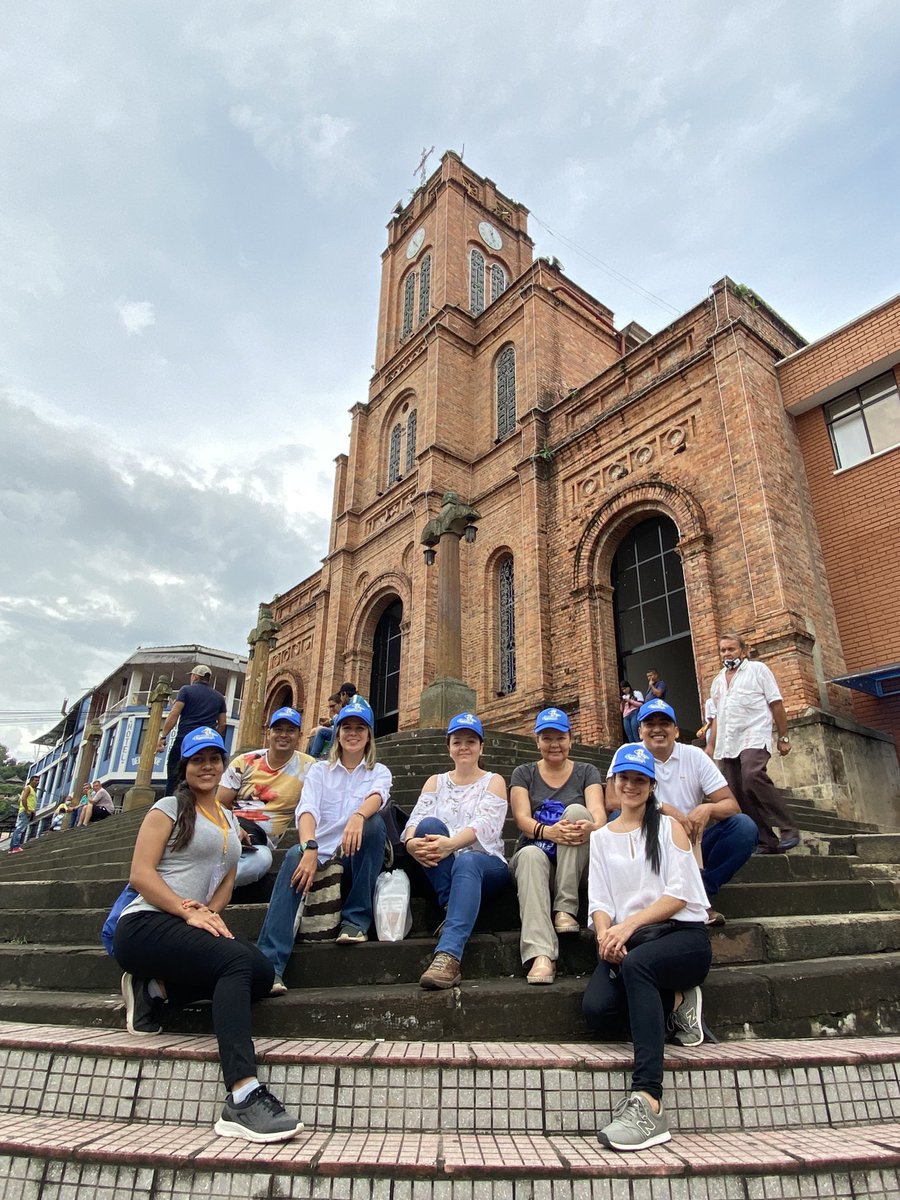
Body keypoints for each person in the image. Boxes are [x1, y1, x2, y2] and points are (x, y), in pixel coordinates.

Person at [113, 726, 300, 1144]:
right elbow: (140, 874)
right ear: (185, 767)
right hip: (145, 924)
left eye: (214, 759)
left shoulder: (229, 819)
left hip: (188, 924)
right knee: (235, 963)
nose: (207, 766)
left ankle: (154, 991)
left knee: (261, 973)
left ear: (223, 764)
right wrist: (186, 911)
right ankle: (242, 1095)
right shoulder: (167, 808)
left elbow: (226, 882)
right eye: (198, 760)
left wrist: (210, 915)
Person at [583, 743, 712, 1152]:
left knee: (637, 966)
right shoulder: (601, 838)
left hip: (681, 938)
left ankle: (648, 1101)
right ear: (613, 782)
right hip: (629, 941)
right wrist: (605, 936)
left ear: (652, 785)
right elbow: (599, 899)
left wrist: (628, 927)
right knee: (597, 1010)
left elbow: (680, 895)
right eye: (625, 778)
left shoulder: (669, 827)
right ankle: (677, 1002)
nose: (632, 786)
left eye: (640, 779)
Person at [256, 696, 391, 993]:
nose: (353, 733)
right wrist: (309, 847)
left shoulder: (379, 771)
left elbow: (378, 796)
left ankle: (355, 921)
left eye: (360, 728)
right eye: (347, 727)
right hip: (320, 853)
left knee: (374, 824)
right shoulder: (318, 771)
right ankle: (269, 965)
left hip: (354, 855)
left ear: (369, 735)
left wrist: (358, 816)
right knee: (293, 856)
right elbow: (307, 811)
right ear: (337, 733)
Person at [402, 713, 509, 989]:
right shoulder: (435, 782)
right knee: (428, 825)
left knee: (468, 860)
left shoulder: (494, 781)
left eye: (470, 741)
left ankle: (448, 955)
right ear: (449, 747)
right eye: (457, 741)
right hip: (444, 867)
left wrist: (451, 844)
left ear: (481, 747)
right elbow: (416, 819)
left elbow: (486, 825)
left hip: (486, 865)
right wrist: (410, 843)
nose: (464, 747)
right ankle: (454, 902)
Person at [636, 699, 757, 924]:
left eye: (664, 723)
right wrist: (662, 808)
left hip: (691, 842)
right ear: (640, 731)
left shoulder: (694, 756)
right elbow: (613, 802)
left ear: (676, 731)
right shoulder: (630, 754)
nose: (657, 729)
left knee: (743, 827)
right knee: (617, 820)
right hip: (648, 838)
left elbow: (731, 805)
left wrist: (708, 807)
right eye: (650, 724)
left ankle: (698, 893)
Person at [509, 707, 605, 984]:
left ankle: (565, 908)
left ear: (570, 740)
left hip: (577, 864)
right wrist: (549, 832)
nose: (554, 744)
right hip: (537, 863)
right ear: (537, 741)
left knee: (577, 812)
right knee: (529, 854)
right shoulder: (523, 773)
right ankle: (541, 955)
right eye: (547, 738)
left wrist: (590, 827)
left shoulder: (586, 771)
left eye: (560, 737)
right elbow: (522, 819)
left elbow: (598, 815)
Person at [707, 632, 800, 854]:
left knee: (752, 775)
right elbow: (718, 715)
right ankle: (765, 840)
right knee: (738, 791)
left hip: (754, 734)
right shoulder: (718, 681)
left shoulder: (758, 670)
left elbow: (776, 704)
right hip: (729, 741)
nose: (727, 653)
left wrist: (784, 737)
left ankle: (789, 828)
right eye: (723, 650)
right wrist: (710, 746)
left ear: (743, 650)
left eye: (731, 649)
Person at [217, 706, 314, 888]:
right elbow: (219, 802)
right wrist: (234, 828)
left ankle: (207, 888)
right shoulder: (245, 761)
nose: (283, 735)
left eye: (290, 730)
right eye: (278, 729)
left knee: (261, 861)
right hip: (228, 830)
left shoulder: (309, 767)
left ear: (299, 735)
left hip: (258, 845)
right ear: (269, 733)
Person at [157, 664, 227, 796]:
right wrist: (213, 737)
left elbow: (174, 714)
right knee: (202, 777)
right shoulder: (219, 697)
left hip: (185, 740)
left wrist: (163, 736)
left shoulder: (186, 690)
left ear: (195, 677)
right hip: (206, 743)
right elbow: (223, 723)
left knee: (174, 778)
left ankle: (172, 805)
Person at [307, 692, 342, 759]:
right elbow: (332, 722)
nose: (331, 709)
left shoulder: (344, 712)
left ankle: (329, 751)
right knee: (320, 731)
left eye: (333, 706)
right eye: (330, 707)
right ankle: (313, 756)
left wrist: (331, 722)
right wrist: (328, 722)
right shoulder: (336, 715)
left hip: (340, 733)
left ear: (340, 704)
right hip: (334, 732)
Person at [9, 775, 38, 853]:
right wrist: (27, 810)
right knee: (20, 829)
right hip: (25, 811)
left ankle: (12, 848)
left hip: (28, 811)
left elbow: (31, 803)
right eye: (35, 780)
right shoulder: (28, 788)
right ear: (31, 781)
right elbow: (23, 799)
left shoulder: (33, 790)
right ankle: (15, 847)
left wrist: (33, 812)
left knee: (19, 829)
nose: (37, 782)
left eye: (38, 781)